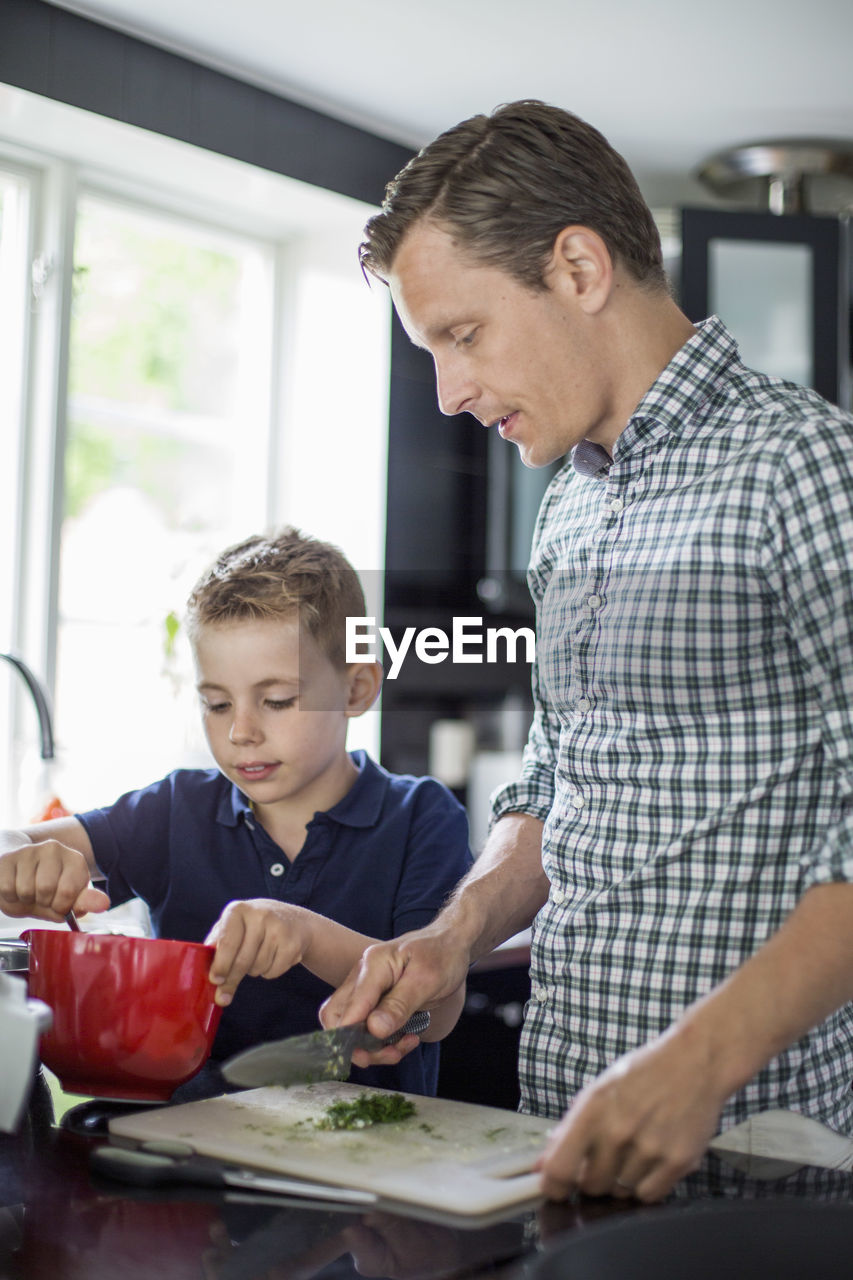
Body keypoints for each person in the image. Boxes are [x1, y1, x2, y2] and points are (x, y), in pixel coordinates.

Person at [320, 99, 853, 1202]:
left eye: (463, 336)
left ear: (576, 267)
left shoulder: (800, 467)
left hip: (755, 1165)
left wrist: (697, 1065)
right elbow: (562, 778)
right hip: (557, 1136)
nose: (450, 393)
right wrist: (454, 932)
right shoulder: (566, 504)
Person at [0, 528, 472, 1098]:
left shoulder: (421, 815)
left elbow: (439, 1012)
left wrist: (304, 935)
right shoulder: (175, 809)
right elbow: (13, 845)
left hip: (368, 1153)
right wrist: (20, 861)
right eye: (216, 703)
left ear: (357, 688)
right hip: (185, 1147)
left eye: (276, 701)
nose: (239, 731)